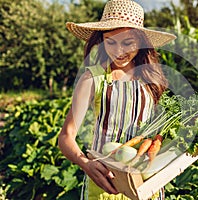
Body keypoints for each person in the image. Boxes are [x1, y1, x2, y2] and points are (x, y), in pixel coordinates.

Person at [58, 0, 176, 199]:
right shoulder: (93, 78)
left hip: (146, 184)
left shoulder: (151, 80)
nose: (119, 51)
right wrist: (85, 163)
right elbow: (66, 136)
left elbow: (155, 133)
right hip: (106, 183)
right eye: (110, 41)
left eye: (127, 42)